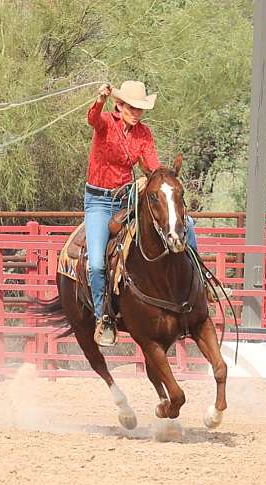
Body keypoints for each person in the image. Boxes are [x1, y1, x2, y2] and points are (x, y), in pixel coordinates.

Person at [84, 80, 198, 346]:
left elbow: (153, 165)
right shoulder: (105, 125)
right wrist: (99, 99)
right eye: (132, 108)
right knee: (98, 263)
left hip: (127, 197)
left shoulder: (143, 134)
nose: (136, 113)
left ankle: (199, 281)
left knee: (185, 224)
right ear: (119, 105)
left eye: (140, 109)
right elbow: (92, 119)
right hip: (99, 201)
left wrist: (162, 180)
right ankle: (103, 316)